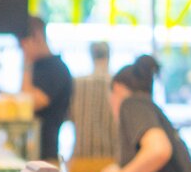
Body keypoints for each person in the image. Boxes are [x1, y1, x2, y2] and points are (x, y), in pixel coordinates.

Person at [19, 15, 74, 162]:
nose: (22, 48)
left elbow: (30, 103)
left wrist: (27, 64)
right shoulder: (37, 66)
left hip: (46, 154)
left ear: (37, 36)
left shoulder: (57, 69)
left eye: (23, 43)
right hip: (31, 150)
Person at [69, 41, 117, 160]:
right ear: (109, 56)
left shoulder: (77, 83)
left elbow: (70, 116)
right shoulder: (117, 84)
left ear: (91, 56)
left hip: (81, 157)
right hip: (112, 159)